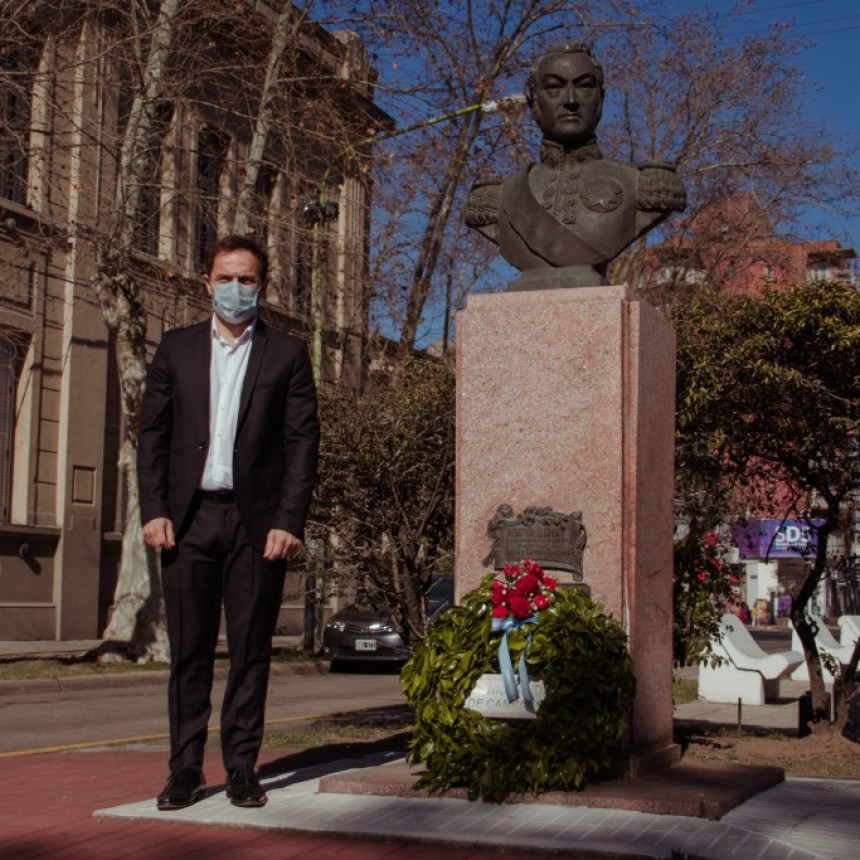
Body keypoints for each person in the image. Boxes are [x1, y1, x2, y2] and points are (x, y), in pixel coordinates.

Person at [138, 235, 320, 810]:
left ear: (261, 287)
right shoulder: (175, 348)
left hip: (256, 525)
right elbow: (153, 437)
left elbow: (301, 443)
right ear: (206, 283)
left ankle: (242, 766)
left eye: (246, 279)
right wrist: (155, 509)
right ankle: (184, 772)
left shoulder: (288, 353)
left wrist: (290, 519)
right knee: (188, 654)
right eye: (225, 278)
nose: (235, 289)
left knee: (250, 652)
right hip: (187, 522)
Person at [465, 42, 686, 287]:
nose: (570, 100)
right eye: (554, 87)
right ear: (533, 101)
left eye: (584, 86)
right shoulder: (499, 198)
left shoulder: (641, 185)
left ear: (600, 99)